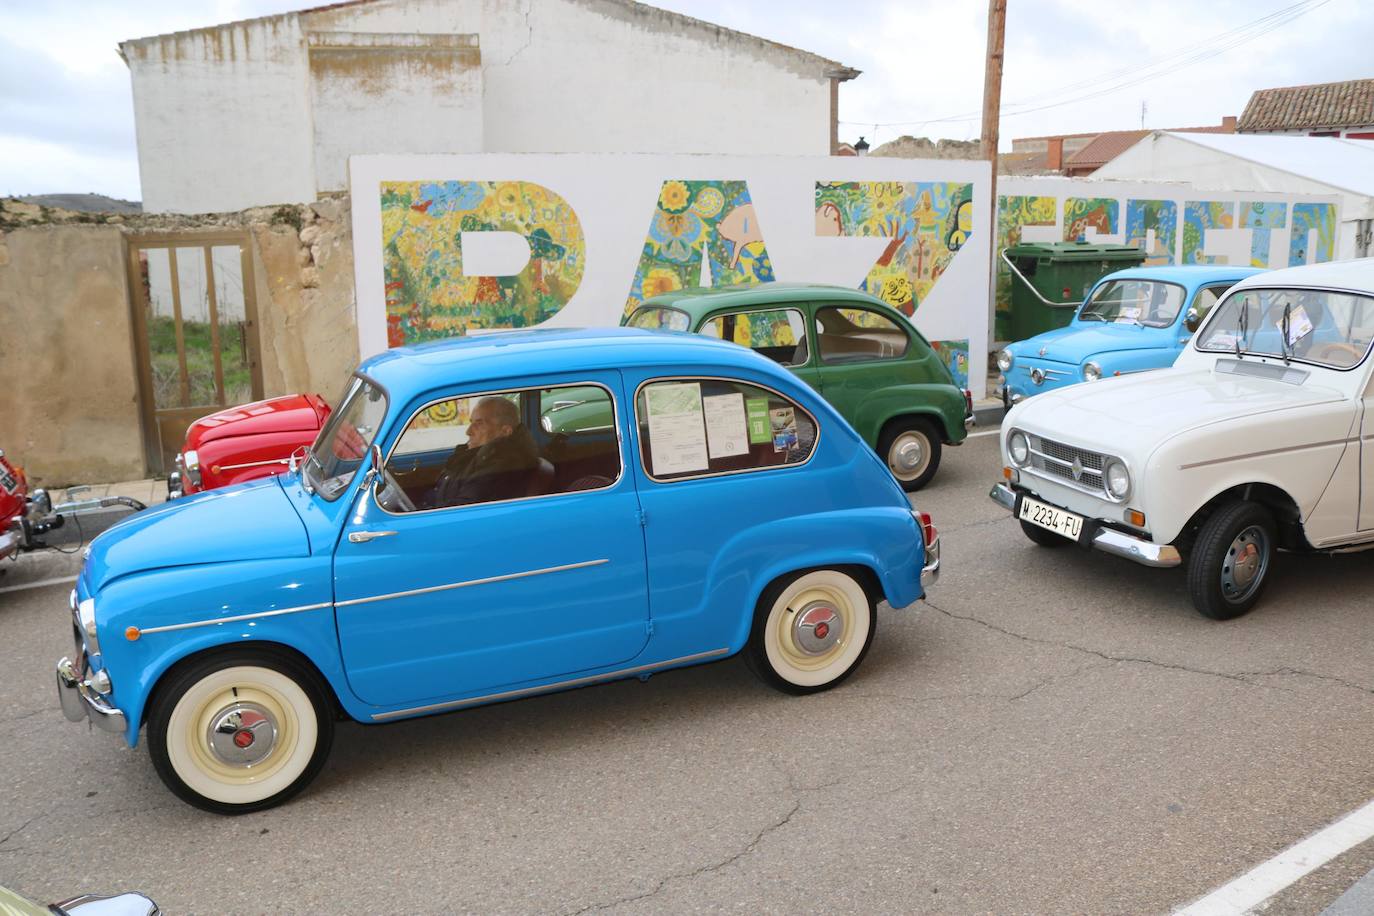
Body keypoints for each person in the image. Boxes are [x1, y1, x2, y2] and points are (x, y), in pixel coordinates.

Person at [430, 396, 538, 508]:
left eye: (479, 423)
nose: (468, 432)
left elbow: (465, 508)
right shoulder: (481, 455)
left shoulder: (502, 464)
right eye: (472, 422)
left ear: (505, 431)